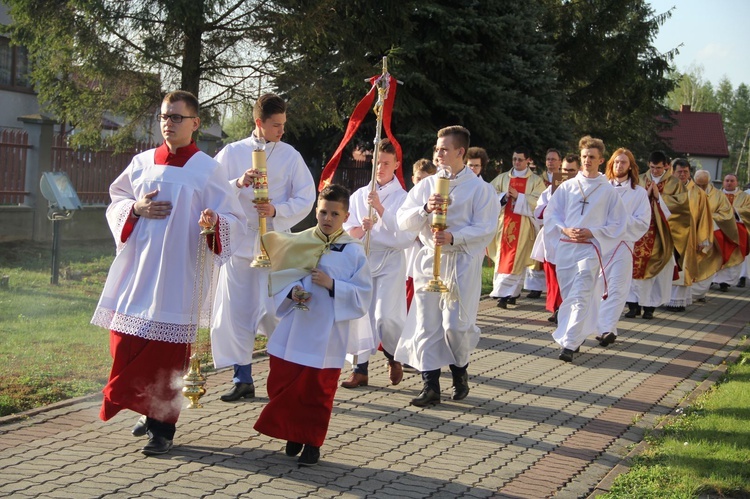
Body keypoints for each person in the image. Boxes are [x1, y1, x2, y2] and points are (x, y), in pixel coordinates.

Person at [92, 90, 245, 456]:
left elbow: (235, 221)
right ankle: (147, 409)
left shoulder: (207, 169)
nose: (168, 123)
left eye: (177, 117)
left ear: (194, 123)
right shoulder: (142, 162)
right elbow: (116, 201)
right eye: (164, 116)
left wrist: (215, 222)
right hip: (138, 270)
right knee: (124, 342)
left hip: (179, 275)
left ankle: (163, 427)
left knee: (166, 354)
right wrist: (135, 208)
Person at [254, 184, 372, 467]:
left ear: (345, 216)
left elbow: (363, 294)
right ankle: (293, 430)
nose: (327, 218)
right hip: (297, 323)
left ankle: (312, 442)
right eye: (323, 212)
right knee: (282, 380)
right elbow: (281, 273)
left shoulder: (354, 251)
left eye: (334, 213)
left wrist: (333, 285)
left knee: (317, 390)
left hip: (327, 333)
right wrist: (292, 291)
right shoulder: (299, 240)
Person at [211, 93, 315, 403]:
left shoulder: (290, 155)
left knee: (277, 311)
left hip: (276, 246)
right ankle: (242, 377)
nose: (282, 131)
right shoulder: (231, 152)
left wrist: (277, 210)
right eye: (276, 125)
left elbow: (306, 196)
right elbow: (213, 190)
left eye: (284, 124)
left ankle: (283, 376)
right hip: (241, 246)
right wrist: (238, 183)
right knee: (236, 313)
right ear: (259, 123)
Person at [395, 126, 499, 406]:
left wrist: (455, 236)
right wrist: (425, 210)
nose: (438, 154)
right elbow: (402, 220)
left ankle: (460, 369)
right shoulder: (426, 185)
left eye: (444, 149)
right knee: (426, 324)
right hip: (429, 260)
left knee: (455, 325)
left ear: (460, 152)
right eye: (436, 149)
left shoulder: (480, 189)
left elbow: (487, 228)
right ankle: (430, 386)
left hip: (460, 263)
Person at [340, 138, 415, 389]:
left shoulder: (404, 197)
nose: (380, 168)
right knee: (359, 314)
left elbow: (405, 235)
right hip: (364, 260)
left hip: (390, 261)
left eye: (386, 163)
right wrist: (360, 230)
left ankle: (393, 356)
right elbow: (346, 229)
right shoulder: (361, 194)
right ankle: (359, 369)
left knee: (385, 317)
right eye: (377, 162)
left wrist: (381, 210)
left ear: (396, 164)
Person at [543, 136, 626, 362]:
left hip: (590, 248)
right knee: (570, 295)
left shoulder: (608, 190)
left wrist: (593, 232)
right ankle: (576, 336)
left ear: (601, 159)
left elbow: (618, 223)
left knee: (581, 295)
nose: (587, 160)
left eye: (592, 157)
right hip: (567, 249)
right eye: (584, 157)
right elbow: (552, 214)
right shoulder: (567, 186)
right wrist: (564, 229)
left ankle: (568, 344)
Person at [594, 148, 649, 346]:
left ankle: (607, 328)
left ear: (631, 166)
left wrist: (619, 224)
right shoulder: (601, 188)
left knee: (617, 288)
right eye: (616, 162)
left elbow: (643, 222)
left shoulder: (639, 193)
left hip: (623, 245)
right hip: (600, 244)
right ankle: (599, 326)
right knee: (598, 286)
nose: (619, 165)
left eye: (624, 162)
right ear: (610, 165)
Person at [627, 151, 690, 320]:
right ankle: (633, 306)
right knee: (632, 268)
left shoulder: (675, 183)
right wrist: (645, 196)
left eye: (659, 168)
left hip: (661, 235)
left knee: (657, 272)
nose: (655, 171)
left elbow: (682, 208)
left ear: (667, 166)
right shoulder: (638, 179)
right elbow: (628, 202)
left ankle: (649, 308)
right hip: (638, 234)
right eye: (652, 167)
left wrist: (659, 197)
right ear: (648, 164)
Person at [488, 147, 546, 308]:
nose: (517, 162)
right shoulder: (503, 178)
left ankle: (505, 295)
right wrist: (504, 196)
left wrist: (519, 197)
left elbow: (539, 201)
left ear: (528, 160)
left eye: (520, 159)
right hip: (504, 224)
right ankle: (510, 293)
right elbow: (490, 194)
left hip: (524, 227)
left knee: (517, 260)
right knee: (503, 258)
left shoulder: (535, 181)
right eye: (514, 159)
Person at [530, 154, 579, 324]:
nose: (567, 174)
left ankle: (569, 309)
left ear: (578, 171)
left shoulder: (584, 191)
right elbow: (538, 213)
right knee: (554, 277)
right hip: (553, 239)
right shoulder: (550, 190)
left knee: (571, 278)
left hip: (574, 240)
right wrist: (553, 200)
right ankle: (557, 309)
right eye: (565, 170)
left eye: (572, 171)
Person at [666, 160, 712, 311]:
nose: (683, 175)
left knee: (683, 268)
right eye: (679, 172)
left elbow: (704, 217)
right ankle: (662, 299)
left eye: (685, 172)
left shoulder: (698, 193)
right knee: (666, 266)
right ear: (672, 172)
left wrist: (702, 239)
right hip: (668, 235)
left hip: (688, 237)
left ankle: (677, 301)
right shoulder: (666, 188)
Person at [690, 170, 739, 301]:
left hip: (710, 235)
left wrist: (709, 218)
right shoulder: (688, 192)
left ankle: (699, 293)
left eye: (704, 185)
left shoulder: (718, 195)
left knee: (707, 262)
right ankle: (689, 292)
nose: (700, 188)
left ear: (709, 182)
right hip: (691, 235)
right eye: (698, 184)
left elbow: (727, 214)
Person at [524, 148, 564, 299]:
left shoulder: (567, 180)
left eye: (554, 159)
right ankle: (536, 287)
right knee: (539, 256)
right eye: (548, 159)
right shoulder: (538, 180)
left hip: (560, 225)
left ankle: (555, 293)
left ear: (560, 161)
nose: (550, 162)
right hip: (539, 223)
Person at [713, 173, 750, 291]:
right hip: (718, 229)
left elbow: (748, 210)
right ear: (723, 182)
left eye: (732, 181)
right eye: (727, 180)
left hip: (736, 232)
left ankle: (725, 282)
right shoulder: (715, 194)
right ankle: (713, 279)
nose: (729, 183)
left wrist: (736, 210)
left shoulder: (745, 196)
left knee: (732, 255)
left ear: (737, 183)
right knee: (716, 254)